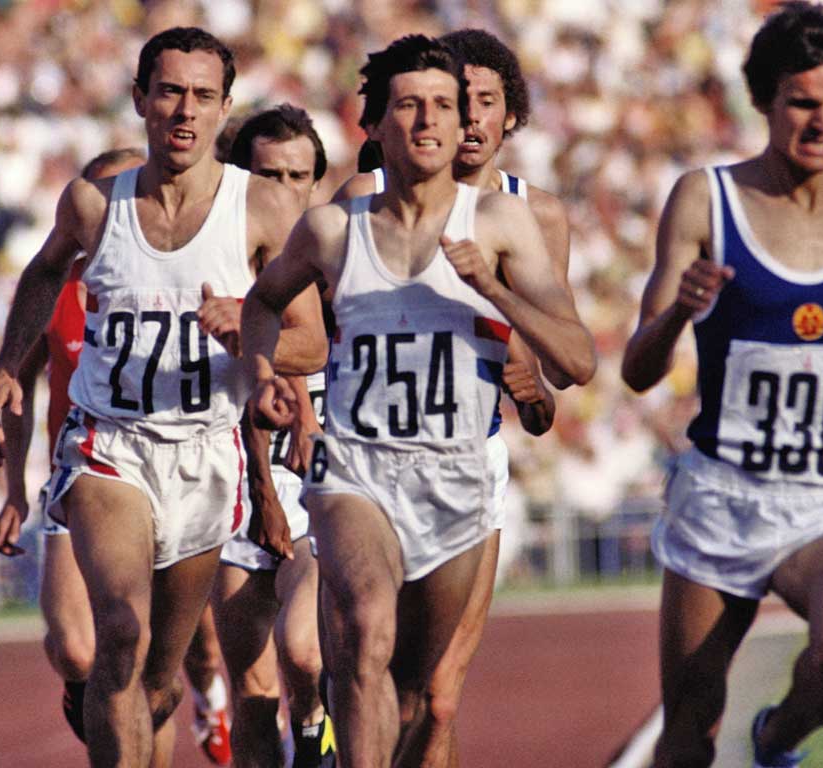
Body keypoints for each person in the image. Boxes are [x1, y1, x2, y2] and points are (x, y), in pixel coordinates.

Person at [0, 26, 326, 768]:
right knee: (121, 637)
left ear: (223, 106)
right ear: (140, 99)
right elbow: (43, 275)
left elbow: (313, 344)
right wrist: (9, 365)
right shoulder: (95, 204)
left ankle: (139, 710)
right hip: (111, 445)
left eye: (202, 96)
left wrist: (245, 334)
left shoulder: (260, 210)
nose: (184, 111)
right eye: (169, 92)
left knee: (160, 682)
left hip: (207, 456)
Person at [242, 34, 594, 768]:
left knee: (419, 699)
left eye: (448, 105)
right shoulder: (338, 224)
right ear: (376, 123)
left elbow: (577, 362)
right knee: (366, 633)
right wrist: (262, 372)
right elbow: (265, 303)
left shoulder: (504, 224)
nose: (434, 122)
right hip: (357, 471)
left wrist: (493, 292)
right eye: (410, 105)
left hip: (460, 474)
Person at [621, 4, 823, 767]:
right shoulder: (705, 199)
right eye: (802, 104)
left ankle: (776, 741)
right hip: (724, 495)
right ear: (764, 102)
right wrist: (679, 314)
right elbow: (638, 369)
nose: (822, 123)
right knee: (688, 728)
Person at [333, 28, 564, 767]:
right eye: (447, 102)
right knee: (363, 654)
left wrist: (531, 389)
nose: (463, 121)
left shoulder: (535, 215)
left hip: (471, 462)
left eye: (481, 104)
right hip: (363, 460)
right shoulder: (362, 203)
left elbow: (551, 370)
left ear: (508, 118)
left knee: (437, 698)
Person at [0, 145, 234, 766]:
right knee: (89, 647)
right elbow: (21, 386)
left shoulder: (189, 266)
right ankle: (101, 699)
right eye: (98, 202)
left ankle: (192, 697)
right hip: (91, 468)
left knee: (165, 670)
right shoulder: (61, 289)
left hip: (185, 465)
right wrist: (16, 490)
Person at [213, 104, 335, 768]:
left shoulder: (340, 252)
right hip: (231, 472)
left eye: (299, 175)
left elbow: (312, 343)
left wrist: (241, 325)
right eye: (267, 175)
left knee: (304, 652)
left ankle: (317, 724)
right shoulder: (209, 247)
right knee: (254, 698)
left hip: (315, 473)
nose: (284, 191)